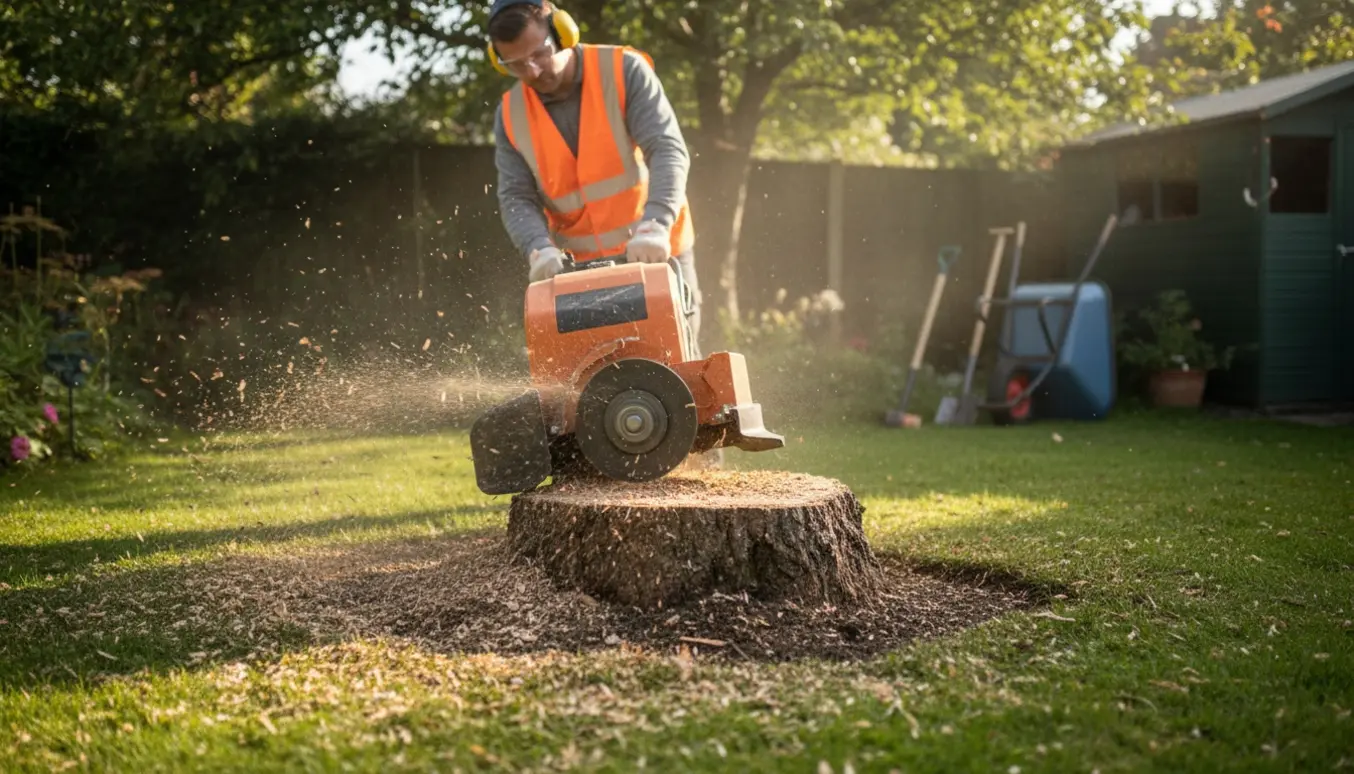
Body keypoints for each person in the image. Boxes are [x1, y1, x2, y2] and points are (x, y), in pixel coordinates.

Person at [487, 0, 705, 343]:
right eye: (516, 65)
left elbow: (666, 149)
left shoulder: (623, 70)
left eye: (539, 54)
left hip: (653, 250)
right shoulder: (511, 115)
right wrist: (537, 247)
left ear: (563, 32)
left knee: (672, 368)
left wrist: (657, 222)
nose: (532, 71)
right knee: (594, 378)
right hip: (580, 272)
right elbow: (515, 196)